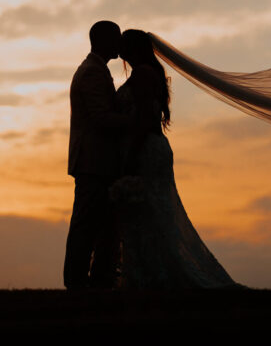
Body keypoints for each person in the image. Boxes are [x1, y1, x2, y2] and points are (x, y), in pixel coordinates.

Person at [110, 29, 238, 289]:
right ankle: (148, 272)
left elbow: (145, 118)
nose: (118, 48)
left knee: (152, 212)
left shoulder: (143, 74)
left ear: (132, 49)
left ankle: (158, 274)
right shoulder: (147, 73)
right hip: (149, 147)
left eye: (123, 44)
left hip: (146, 149)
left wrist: (131, 157)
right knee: (151, 212)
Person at [63, 20, 132, 290]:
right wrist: (133, 120)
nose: (120, 44)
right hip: (93, 161)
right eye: (116, 38)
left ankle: (98, 279)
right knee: (86, 222)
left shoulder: (96, 69)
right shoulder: (92, 72)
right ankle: (77, 281)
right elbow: (100, 118)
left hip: (98, 160)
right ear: (103, 40)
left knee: (103, 224)